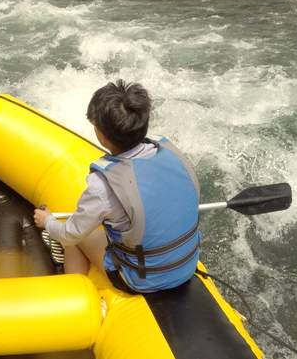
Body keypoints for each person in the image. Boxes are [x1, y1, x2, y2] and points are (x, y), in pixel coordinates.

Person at [34, 80, 200, 293]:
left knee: (77, 238)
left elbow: (71, 233)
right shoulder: (172, 152)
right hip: (187, 264)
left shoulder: (102, 185)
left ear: (101, 136)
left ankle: (72, 294)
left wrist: (47, 221)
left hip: (142, 280)